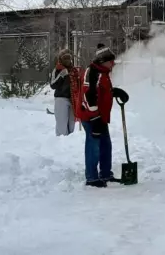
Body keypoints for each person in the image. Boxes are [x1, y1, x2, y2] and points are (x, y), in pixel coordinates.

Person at [77, 45, 118, 187]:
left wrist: (114, 92)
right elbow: (88, 95)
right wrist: (94, 118)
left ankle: (106, 173)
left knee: (105, 144)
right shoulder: (93, 72)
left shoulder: (103, 72)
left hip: (101, 117)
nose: (113, 64)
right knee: (93, 146)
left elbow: (101, 91)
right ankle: (92, 177)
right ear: (103, 61)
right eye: (111, 61)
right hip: (91, 117)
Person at [50, 49, 76, 136]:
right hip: (61, 99)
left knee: (72, 124)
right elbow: (53, 85)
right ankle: (61, 144)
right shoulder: (57, 69)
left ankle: (70, 143)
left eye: (69, 58)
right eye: (65, 58)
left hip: (72, 99)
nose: (68, 60)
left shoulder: (73, 70)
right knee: (62, 125)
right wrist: (62, 75)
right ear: (61, 59)